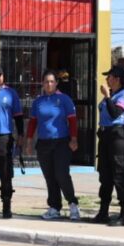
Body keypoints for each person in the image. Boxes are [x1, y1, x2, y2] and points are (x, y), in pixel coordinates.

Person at [27, 70, 80, 220]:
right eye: (46, 82)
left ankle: (73, 204)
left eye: (51, 81)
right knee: (49, 176)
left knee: (61, 174)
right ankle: (54, 207)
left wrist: (74, 139)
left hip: (61, 142)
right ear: (42, 84)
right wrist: (29, 141)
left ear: (56, 83)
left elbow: (73, 121)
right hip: (43, 143)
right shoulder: (38, 102)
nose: (49, 84)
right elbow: (32, 123)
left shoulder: (64, 100)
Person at [93, 66, 124, 226]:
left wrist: (107, 96)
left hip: (117, 136)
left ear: (117, 79)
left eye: (109, 77)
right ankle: (103, 212)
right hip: (105, 135)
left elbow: (115, 113)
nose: (106, 80)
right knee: (105, 174)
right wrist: (108, 96)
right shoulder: (113, 94)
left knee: (119, 173)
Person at [0, 64, 23, 219]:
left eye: (0, 75)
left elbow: (18, 116)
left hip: (3, 138)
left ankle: (6, 205)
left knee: (6, 174)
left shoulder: (11, 93)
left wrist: (21, 136)